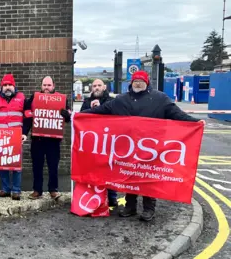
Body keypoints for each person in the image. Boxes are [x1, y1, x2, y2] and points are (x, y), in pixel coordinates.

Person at [82, 71, 205, 221]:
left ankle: (149, 209)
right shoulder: (121, 100)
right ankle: (130, 207)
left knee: (148, 178)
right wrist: (78, 116)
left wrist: (194, 122)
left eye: (141, 80)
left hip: (152, 149)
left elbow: (176, 114)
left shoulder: (160, 99)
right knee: (130, 177)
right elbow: (100, 111)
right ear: (131, 83)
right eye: (135, 80)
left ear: (147, 82)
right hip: (129, 149)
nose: (138, 83)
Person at [23, 76, 71, 200]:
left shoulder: (62, 99)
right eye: (44, 85)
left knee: (53, 165)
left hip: (53, 140)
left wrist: (66, 115)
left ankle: (53, 189)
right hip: (37, 139)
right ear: (41, 86)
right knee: (37, 165)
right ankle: (37, 190)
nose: (46, 88)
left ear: (53, 86)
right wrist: (24, 133)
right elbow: (27, 115)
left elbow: (69, 117)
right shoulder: (34, 97)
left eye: (49, 85)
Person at [79, 78, 118, 207]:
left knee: (109, 169)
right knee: (93, 170)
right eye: (94, 86)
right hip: (92, 143)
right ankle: (94, 196)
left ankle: (112, 197)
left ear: (104, 87)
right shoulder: (87, 102)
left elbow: (115, 117)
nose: (96, 87)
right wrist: (89, 109)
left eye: (99, 85)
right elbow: (80, 117)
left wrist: (99, 109)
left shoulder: (112, 101)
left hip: (107, 142)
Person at [0, 74, 29, 200]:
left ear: (14, 86)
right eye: (5, 85)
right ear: (1, 87)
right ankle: (5, 189)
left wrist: (25, 133)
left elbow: (28, 117)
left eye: (10, 85)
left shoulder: (22, 98)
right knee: (2, 164)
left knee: (16, 165)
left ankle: (16, 190)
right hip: (1, 138)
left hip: (16, 137)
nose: (7, 87)